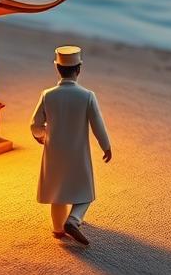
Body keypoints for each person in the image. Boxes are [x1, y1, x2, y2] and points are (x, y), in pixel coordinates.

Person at [31, 46, 112, 246]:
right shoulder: (87, 96)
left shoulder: (47, 95)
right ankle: (74, 220)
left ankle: (58, 229)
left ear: (57, 67)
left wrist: (41, 135)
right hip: (77, 152)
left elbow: (35, 123)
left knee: (57, 191)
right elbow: (97, 125)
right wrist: (106, 146)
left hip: (54, 152)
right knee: (85, 191)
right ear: (79, 69)